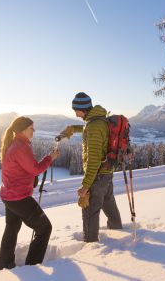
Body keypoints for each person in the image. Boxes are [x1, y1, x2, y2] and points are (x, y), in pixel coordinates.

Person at [0, 116, 60, 270]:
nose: (34, 130)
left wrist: (30, 178)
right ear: (23, 130)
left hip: (9, 196)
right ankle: (32, 267)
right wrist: (50, 158)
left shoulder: (15, 144)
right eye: (31, 128)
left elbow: (23, 169)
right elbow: (35, 168)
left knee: (11, 229)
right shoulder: (21, 146)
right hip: (19, 197)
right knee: (45, 228)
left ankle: (5, 265)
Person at [60, 92, 122, 242]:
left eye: (76, 110)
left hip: (97, 175)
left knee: (89, 211)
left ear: (83, 109)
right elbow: (89, 128)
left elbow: (93, 159)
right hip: (106, 173)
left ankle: (90, 244)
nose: (75, 113)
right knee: (108, 203)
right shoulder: (99, 120)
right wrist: (73, 129)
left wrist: (85, 186)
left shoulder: (94, 126)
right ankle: (119, 230)